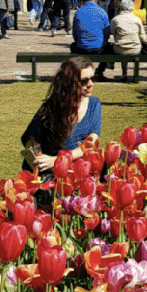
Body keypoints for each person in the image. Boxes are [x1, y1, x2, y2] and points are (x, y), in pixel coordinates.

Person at [21, 56, 102, 210]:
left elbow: (91, 143)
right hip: (51, 171)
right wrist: (39, 159)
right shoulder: (51, 107)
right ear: (69, 83)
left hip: (75, 166)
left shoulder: (94, 104)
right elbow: (30, 139)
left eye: (93, 78)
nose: (90, 84)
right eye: (84, 81)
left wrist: (58, 161)